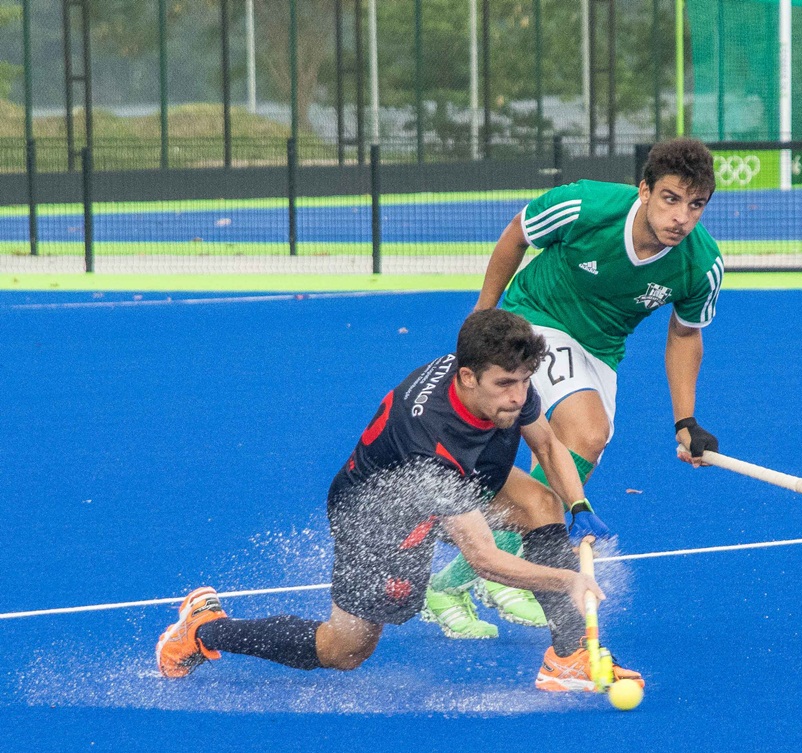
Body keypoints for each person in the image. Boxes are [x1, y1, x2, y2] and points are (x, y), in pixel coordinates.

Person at [156, 309, 643, 692]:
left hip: (462, 474)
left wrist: (579, 508)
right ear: (467, 377)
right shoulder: (430, 440)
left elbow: (546, 444)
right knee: (345, 649)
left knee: (542, 505)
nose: (518, 397)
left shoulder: (502, 376)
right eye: (505, 385)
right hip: (378, 514)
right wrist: (569, 578)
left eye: (523, 382)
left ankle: (568, 657)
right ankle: (204, 630)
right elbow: (485, 559)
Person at [419, 137, 724, 639]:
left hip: (601, 351)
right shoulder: (585, 205)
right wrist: (485, 317)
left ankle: (459, 578)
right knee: (586, 432)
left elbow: (685, 334)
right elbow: (517, 234)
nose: (682, 218)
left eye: (696, 206)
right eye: (671, 198)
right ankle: (499, 567)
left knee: (581, 454)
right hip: (535, 318)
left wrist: (685, 422)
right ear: (644, 190)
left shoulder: (701, 263)